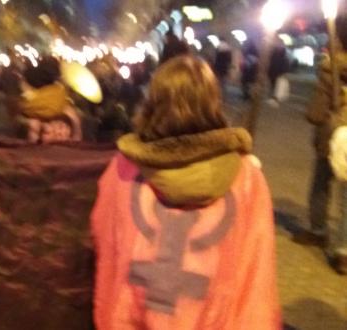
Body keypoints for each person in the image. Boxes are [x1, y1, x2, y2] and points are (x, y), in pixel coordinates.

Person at [91, 56, 280, 329]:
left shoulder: (123, 169)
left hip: (131, 314)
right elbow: (256, 267)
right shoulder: (246, 177)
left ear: (154, 101)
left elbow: (104, 237)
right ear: (213, 103)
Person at [297, 13, 347, 274]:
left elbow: (315, 113)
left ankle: (318, 230)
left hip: (333, 136)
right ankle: (344, 252)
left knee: (321, 184)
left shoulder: (332, 68)